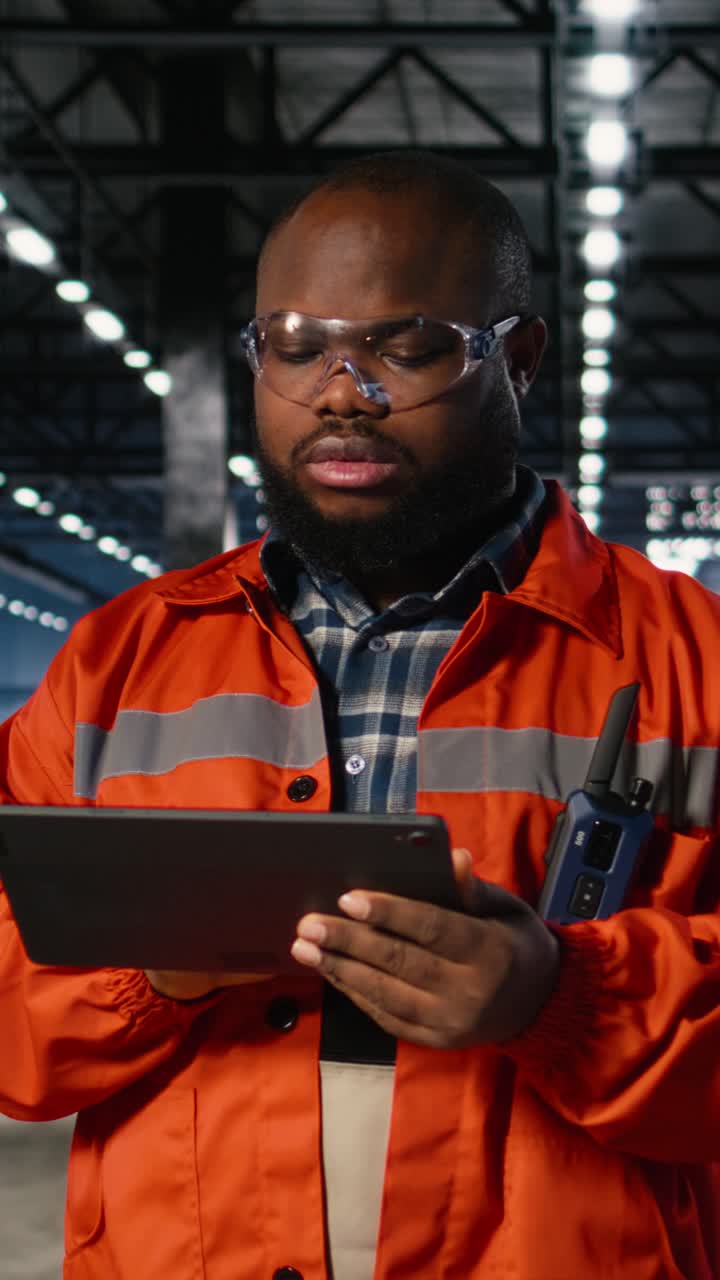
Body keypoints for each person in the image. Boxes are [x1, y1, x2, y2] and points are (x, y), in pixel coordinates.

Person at [1, 149, 720, 1280]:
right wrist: (153, 971)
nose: (344, 390)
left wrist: (565, 995)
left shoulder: (695, 662)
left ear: (517, 360)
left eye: (408, 344)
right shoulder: (117, 666)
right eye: (296, 345)